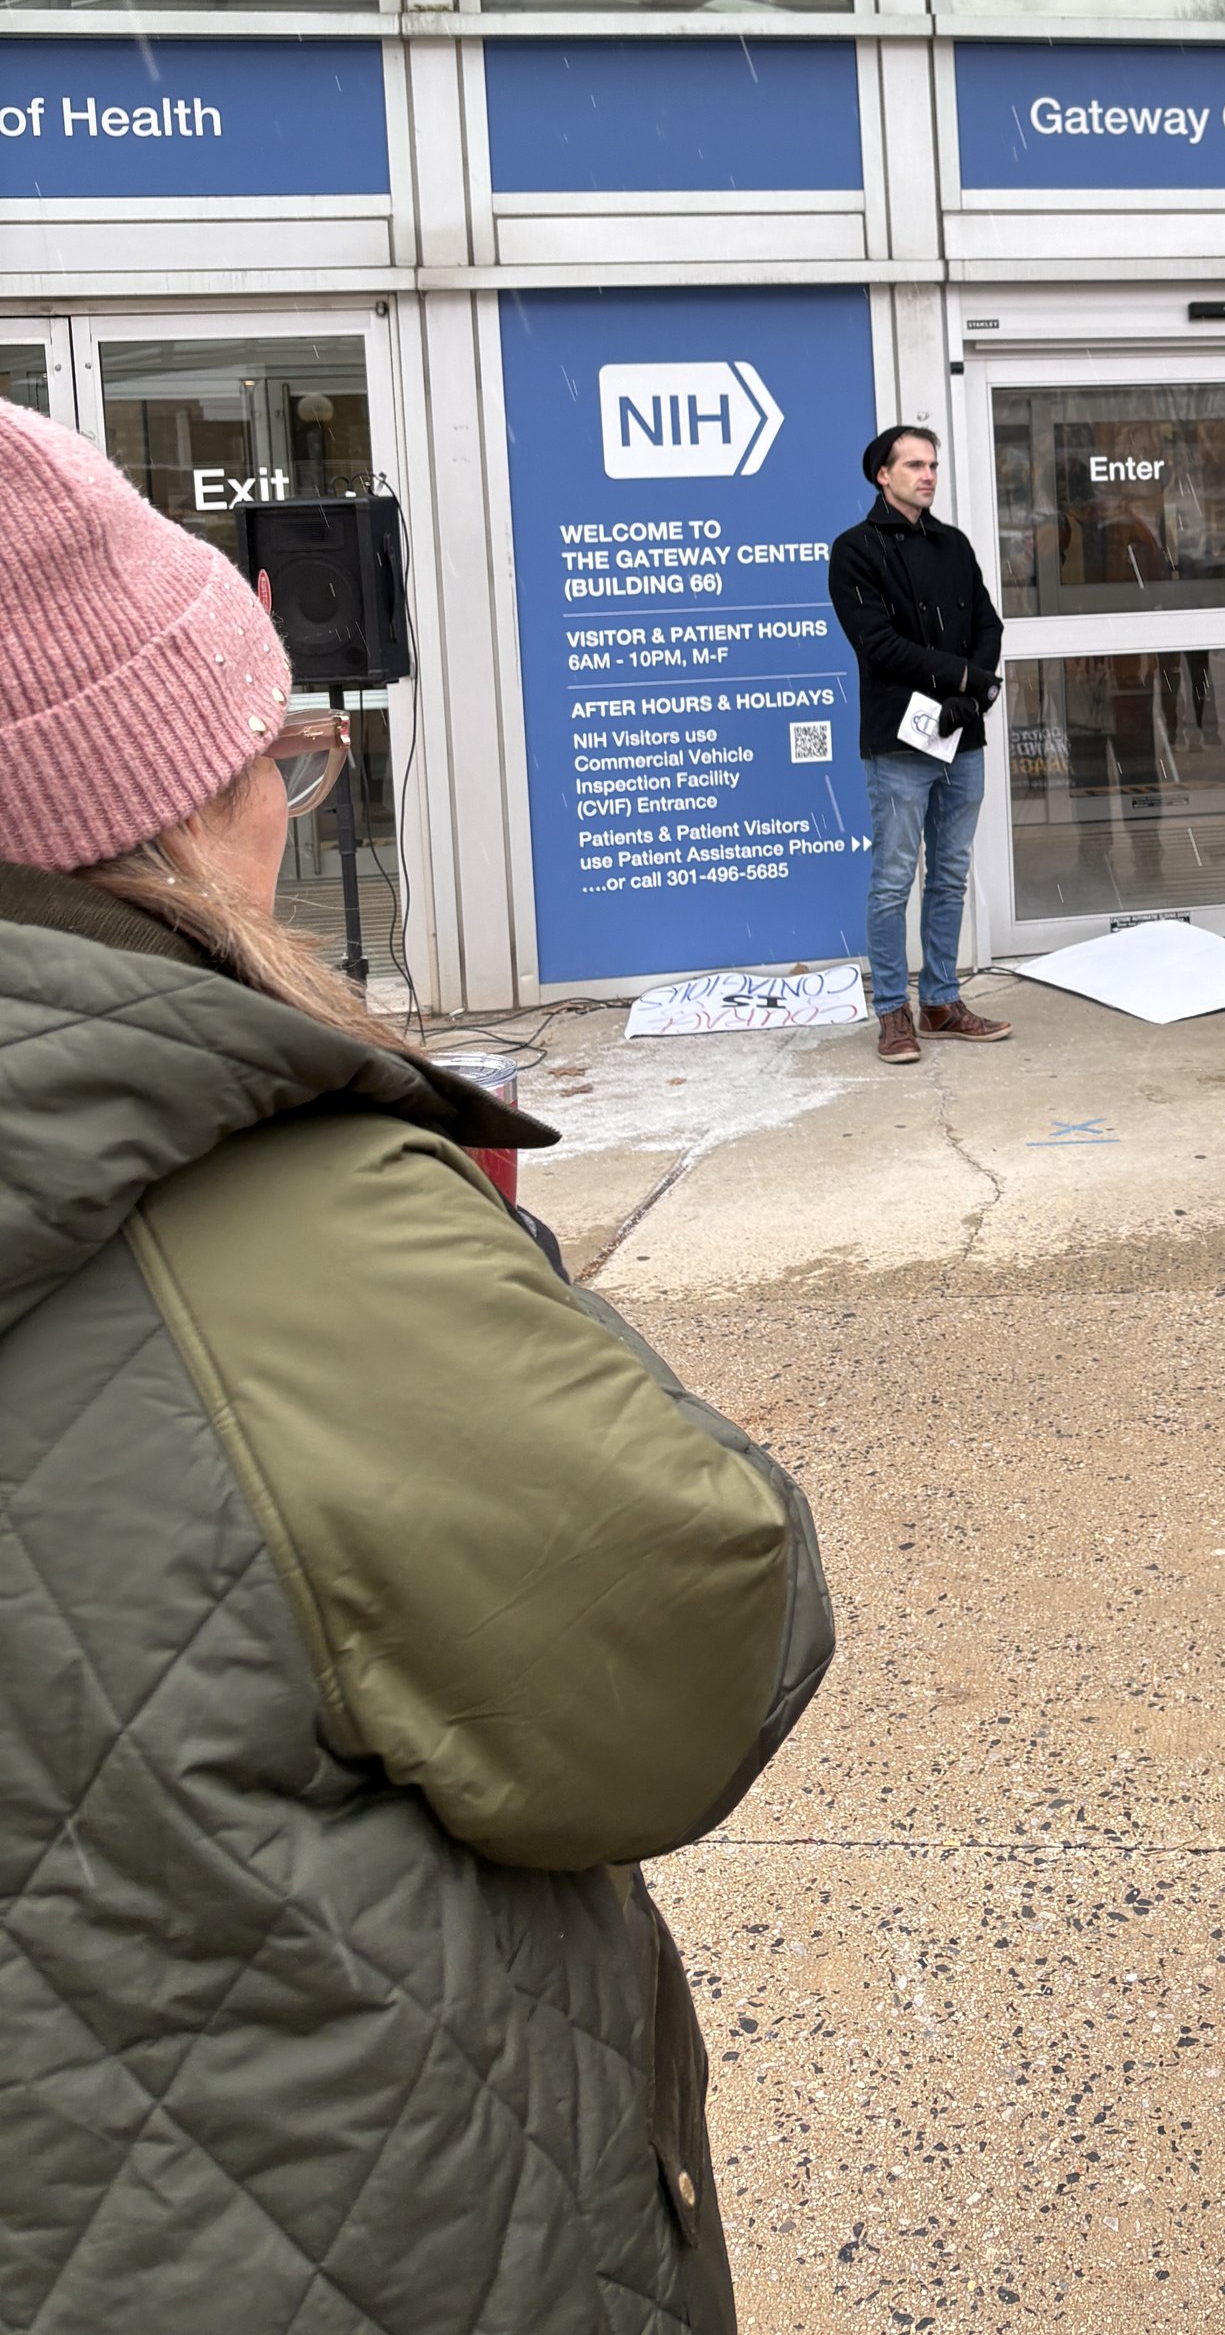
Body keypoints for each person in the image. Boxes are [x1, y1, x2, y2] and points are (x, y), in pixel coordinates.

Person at [0, 400, 833, 2335]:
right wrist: (474, 1252)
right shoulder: (288, 1226)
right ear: (151, 813)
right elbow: (694, 1640)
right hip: (305, 2224)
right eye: (277, 750)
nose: (295, 800)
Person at [827, 421, 1009, 1066]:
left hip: (963, 736)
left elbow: (988, 623)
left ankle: (940, 1001)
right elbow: (878, 646)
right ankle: (891, 1014)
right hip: (900, 741)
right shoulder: (855, 550)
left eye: (932, 464)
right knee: (893, 879)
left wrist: (972, 693)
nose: (927, 475)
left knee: (951, 874)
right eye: (913, 465)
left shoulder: (954, 544)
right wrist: (961, 677)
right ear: (883, 474)